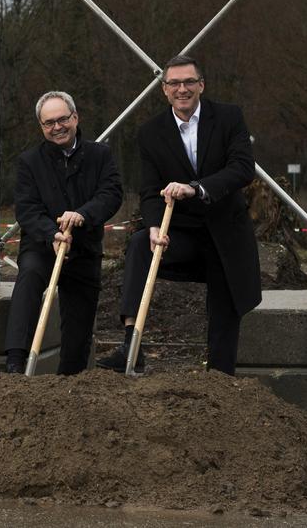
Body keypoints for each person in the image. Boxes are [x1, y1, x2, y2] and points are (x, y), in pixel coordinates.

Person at [96, 55, 260, 375]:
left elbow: (242, 169)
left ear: (201, 85)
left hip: (226, 235)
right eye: (174, 83)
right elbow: (149, 189)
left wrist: (195, 188)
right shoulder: (150, 133)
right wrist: (156, 226)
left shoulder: (228, 117)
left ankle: (220, 381)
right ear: (164, 90)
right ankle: (131, 345)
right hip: (183, 235)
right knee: (142, 243)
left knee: (225, 311)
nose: (181, 89)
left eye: (188, 82)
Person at [3, 92, 123, 375]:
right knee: (29, 277)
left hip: (84, 248)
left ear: (75, 118)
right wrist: (52, 234)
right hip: (43, 245)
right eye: (49, 123)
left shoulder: (99, 155)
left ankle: (70, 382)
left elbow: (111, 194)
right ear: (41, 127)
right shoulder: (29, 162)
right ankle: (15, 362)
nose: (57, 127)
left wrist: (83, 214)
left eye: (62, 120)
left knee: (79, 328)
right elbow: (27, 209)